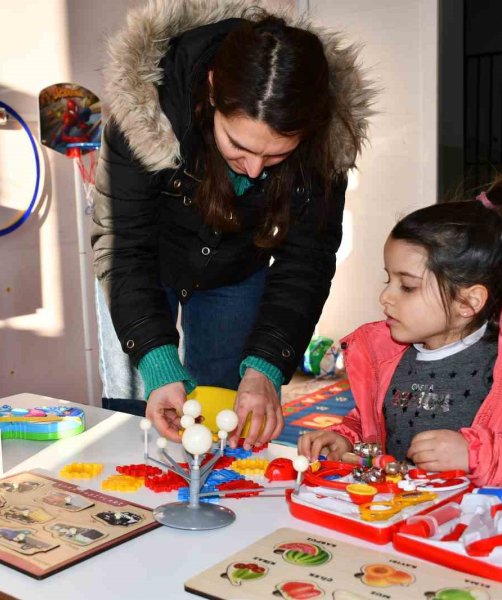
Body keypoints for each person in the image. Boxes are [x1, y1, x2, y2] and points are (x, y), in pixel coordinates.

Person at [92, 1, 372, 446]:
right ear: (209, 93)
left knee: (226, 414)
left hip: (237, 269)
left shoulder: (326, 149)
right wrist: (159, 362)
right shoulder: (144, 112)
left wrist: (266, 364)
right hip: (143, 264)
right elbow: (124, 247)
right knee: (136, 410)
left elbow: (308, 261)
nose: (256, 169)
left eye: (277, 155)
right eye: (238, 145)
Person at [297, 176, 502, 500]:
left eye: (407, 286)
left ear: (468, 302)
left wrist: (476, 456)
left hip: (479, 533)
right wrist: (346, 439)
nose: (385, 297)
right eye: (388, 279)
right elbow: (373, 423)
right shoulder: (388, 355)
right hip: (396, 520)